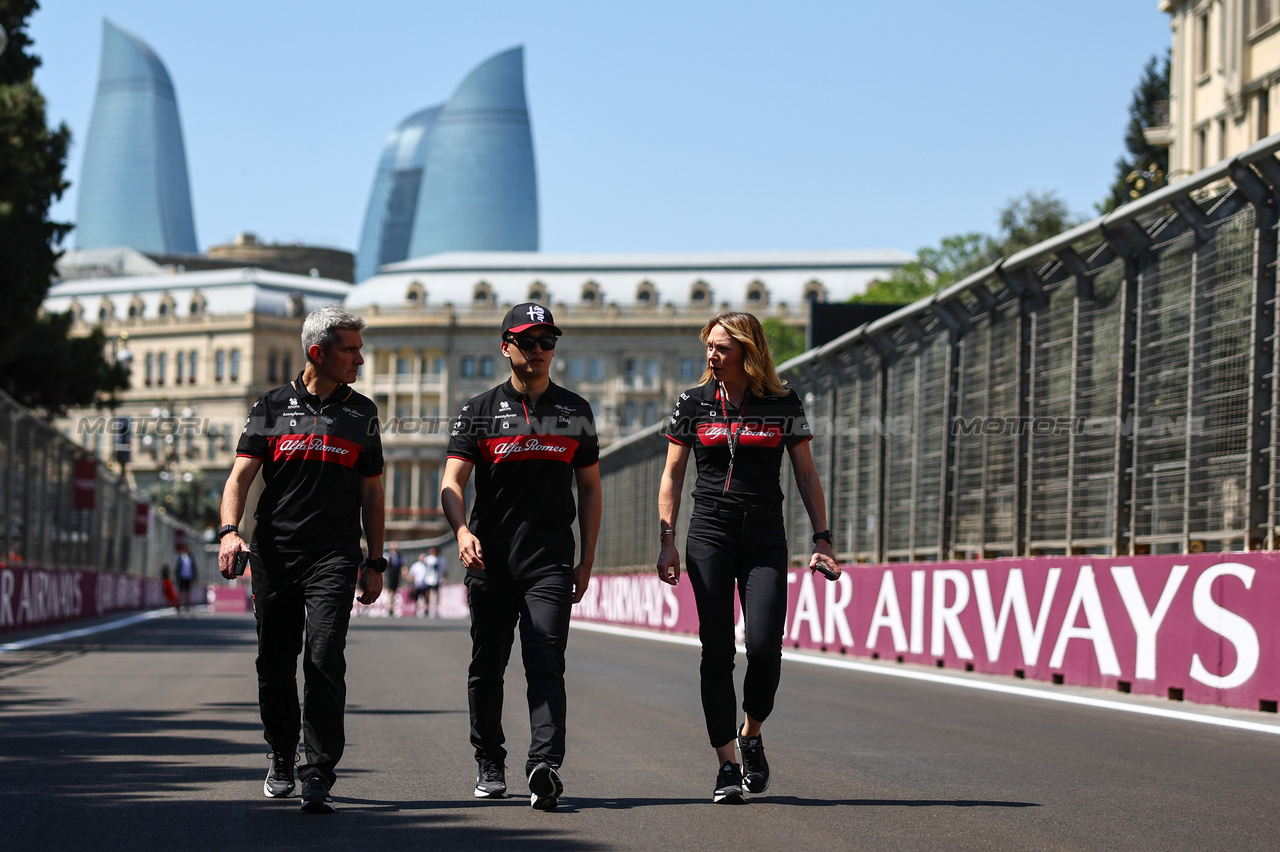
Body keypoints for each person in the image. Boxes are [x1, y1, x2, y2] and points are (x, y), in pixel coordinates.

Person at [656, 311, 840, 804]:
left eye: (721, 348)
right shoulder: (691, 403)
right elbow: (673, 475)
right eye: (709, 348)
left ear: (748, 352)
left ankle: (751, 732)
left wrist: (823, 540)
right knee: (716, 653)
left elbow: (805, 475)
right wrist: (667, 538)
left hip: (763, 534)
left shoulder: (783, 402)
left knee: (763, 649)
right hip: (710, 532)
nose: (711, 357)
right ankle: (725, 766)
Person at [218, 305, 386, 815]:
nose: (360, 358)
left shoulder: (362, 413)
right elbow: (240, 478)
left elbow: (373, 494)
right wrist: (229, 532)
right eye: (350, 349)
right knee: (274, 663)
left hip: (334, 554)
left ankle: (318, 771)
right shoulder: (268, 407)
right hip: (273, 552)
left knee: (323, 657)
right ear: (318, 352)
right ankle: (280, 753)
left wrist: (375, 561)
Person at [442, 302, 602, 811]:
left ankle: (544, 765)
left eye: (547, 341)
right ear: (506, 345)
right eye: (528, 341)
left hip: (550, 560)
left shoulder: (576, 410)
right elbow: (451, 482)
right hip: (490, 560)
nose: (538, 351)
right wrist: (462, 529)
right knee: (487, 665)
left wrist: (589, 557)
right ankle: (490, 761)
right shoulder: (478, 411)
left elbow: (591, 489)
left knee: (546, 660)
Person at [175, 543, 197, 611]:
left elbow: (194, 566)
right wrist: (176, 575)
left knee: (188, 591)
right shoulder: (180, 556)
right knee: (180, 591)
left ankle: (187, 605)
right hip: (181, 576)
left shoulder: (191, 556)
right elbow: (177, 566)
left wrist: (195, 575)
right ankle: (178, 604)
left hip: (189, 576)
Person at [385, 541, 405, 617]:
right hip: (389, 575)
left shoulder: (399, 556)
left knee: (394, 590)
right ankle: (389, 606)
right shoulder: (387, 555)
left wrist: (404, 572)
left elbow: (403, 565)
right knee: (390, 591)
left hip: (396, 575)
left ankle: (392, 606)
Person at [422, 546, 442, 617]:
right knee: (427, 593)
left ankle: (436, 608)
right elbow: (423, 565)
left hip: (437, 579)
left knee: (436, 594)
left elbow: (445, 570)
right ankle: (426, 607)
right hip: (429, 579)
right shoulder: (428, 559)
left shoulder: (441, 559)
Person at [409, 552, 430, 617]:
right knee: (416, 597)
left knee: (426, 596)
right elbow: (411, 574)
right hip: (417, 585)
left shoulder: (428, 565)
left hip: (425, 584)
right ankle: (416, 608)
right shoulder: (416, 565)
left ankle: (426, 608)